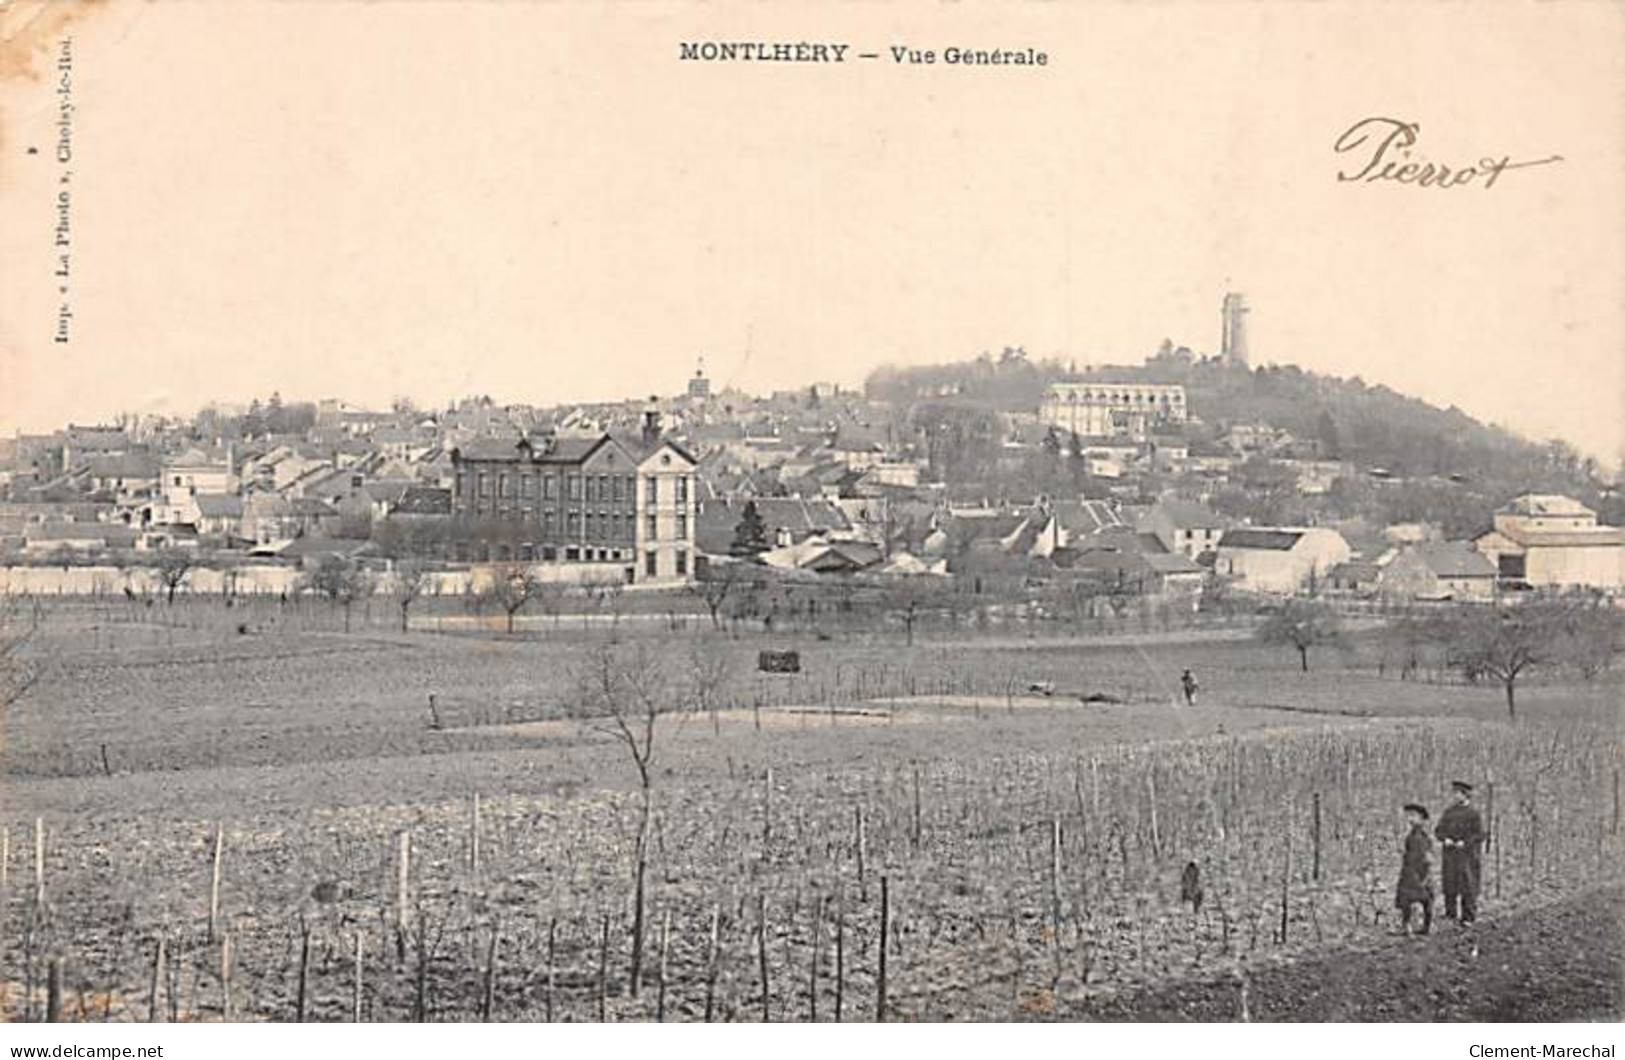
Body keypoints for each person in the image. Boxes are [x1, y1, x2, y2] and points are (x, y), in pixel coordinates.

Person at [1435, 780, 1486, 924]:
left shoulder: (1474, 814)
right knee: (1450, 883)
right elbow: (1439, 831)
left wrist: (1465, 842)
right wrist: (1445, 839)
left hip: (1467, 856)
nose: (1455, 796)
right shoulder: (1449, 812)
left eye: (1458, 793)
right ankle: (1450, 914)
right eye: (1454, 793)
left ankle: (1468, 917)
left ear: (1466, 795)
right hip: (1450, 855)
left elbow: (1480, 835)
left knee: (1467, 885)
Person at [1394, 803, 1433, 935]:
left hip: (1417, 869)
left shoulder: (1420, 836)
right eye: (1409, 816)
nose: (1410, 818)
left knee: (1424, 897)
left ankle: (1425, 926)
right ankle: (1409, 926)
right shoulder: (1412, 835)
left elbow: (1424, 854)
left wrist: (1424, 870)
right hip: (1410, 869)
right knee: (1409, 899)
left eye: (1414, 816)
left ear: (1421, 819)